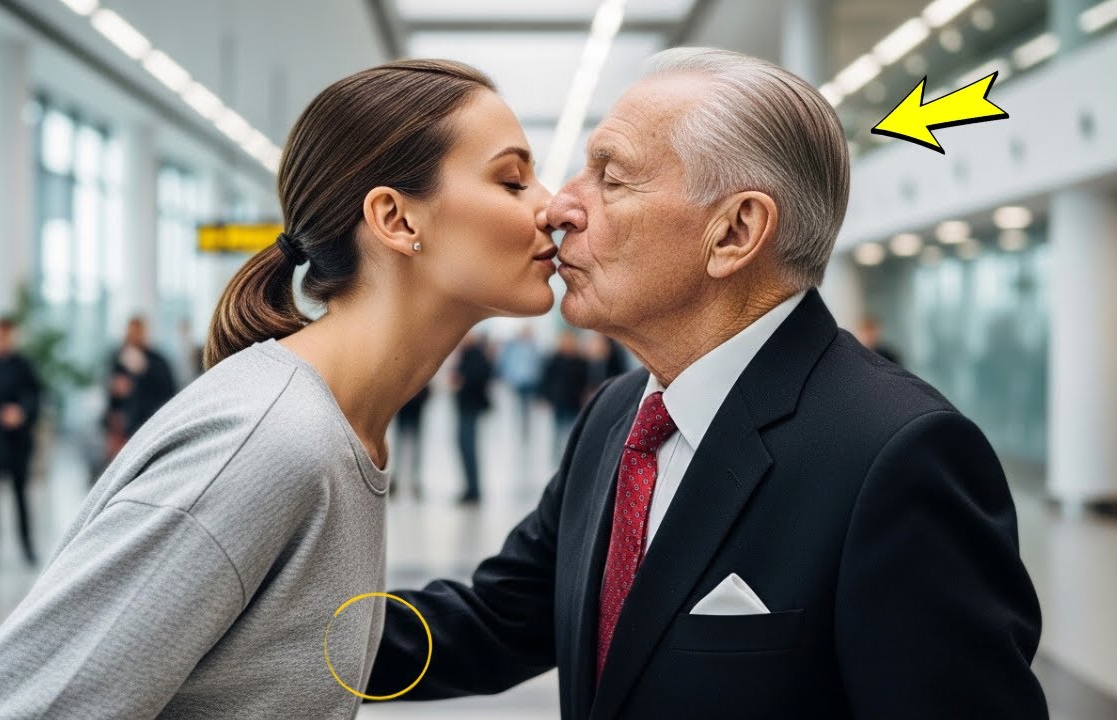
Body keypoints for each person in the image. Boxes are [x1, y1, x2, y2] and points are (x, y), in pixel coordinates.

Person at [368, 48, 1046, 718]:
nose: (558, 208)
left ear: (735, 231)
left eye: (611, 177)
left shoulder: (895, 456)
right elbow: (499, 619)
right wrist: (289, 633)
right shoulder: (617, 417)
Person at [0, 59, 557, 719]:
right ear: (397, 220)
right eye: (513, 180)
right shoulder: (272, 442)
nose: (553, 205)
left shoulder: (343, 428)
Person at [0, 317, 43, 566]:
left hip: (18, 443)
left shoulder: (23, 365)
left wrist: (21, 412)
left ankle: (27, 546)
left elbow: (36, 396)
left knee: (21, 497)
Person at [101, 316, 175, 463]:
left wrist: (144, 369)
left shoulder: (157, 361)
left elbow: (168, 389)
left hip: (148, 421)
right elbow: (112, 392)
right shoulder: (119, 357)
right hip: (123, 422)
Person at [454, 332, 493, 504]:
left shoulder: (476, 354)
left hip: (471, 407)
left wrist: (463, 379)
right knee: (464, 447)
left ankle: (473, 489)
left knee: (468, 447)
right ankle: (470, 487)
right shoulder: (467, 354)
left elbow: (481, 376)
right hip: (465, 407)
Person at [539, 329, 591, 457]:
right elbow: (547, 378)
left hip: (575, 400)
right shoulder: (554, 359)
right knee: (558, 429)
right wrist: (546, 397)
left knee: (573, 430)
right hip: (559, 399)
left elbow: (585, 380)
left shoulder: (581, 360)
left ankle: (570, 455)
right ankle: (556, 456)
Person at [496, 325, 541, 442]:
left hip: (530, 381)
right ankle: (520, 426)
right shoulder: (514, 346)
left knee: (526, 405)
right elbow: (508, 362)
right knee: (519, 404)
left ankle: (525, 427)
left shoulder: (533, 347)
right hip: (517, 381)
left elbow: (537, 364)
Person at [390, 385, 430, 500]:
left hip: (414, 405)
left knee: (414, 447)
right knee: (400, 447)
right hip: (405, 406)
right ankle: (401, 480)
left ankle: (414, 481)